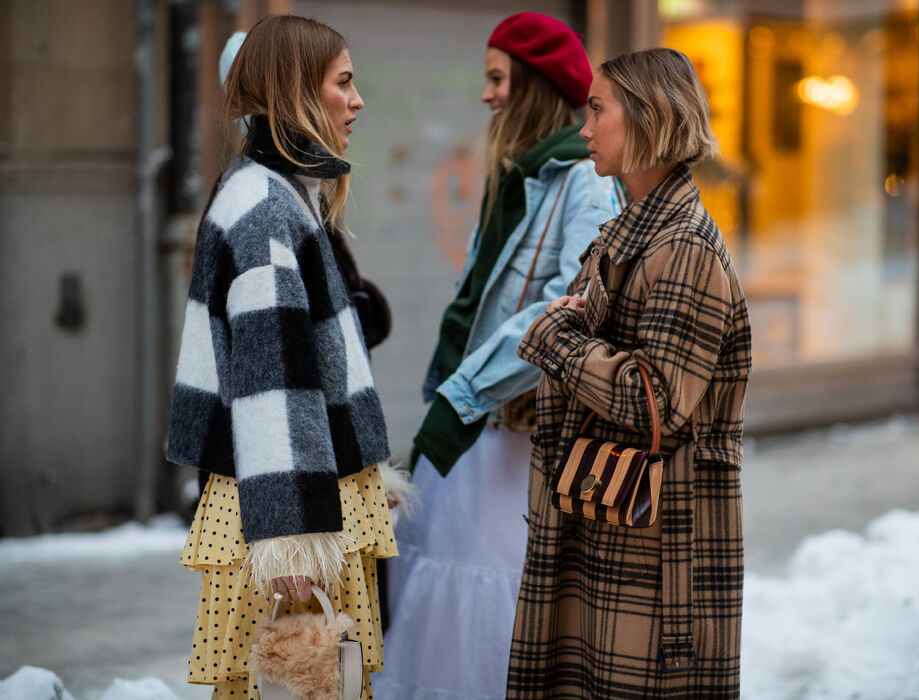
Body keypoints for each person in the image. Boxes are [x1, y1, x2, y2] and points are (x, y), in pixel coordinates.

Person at [373, 12, 620, 700]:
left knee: (490, 596)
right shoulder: (521, 173)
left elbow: (563, 309)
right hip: (480, 424)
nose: (485, 94)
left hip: (517, 430)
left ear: (533, 84)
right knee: (442, 585)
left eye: (496, 77)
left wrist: (463, 395)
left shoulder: (583, 180)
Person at [166, 15, 401, 699]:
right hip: (285, 511)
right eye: (344, 83)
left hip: (285, 495)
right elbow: (272, 389)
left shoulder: (272, 192)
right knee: (300, 680)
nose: (357, 101)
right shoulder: (268, 209)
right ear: (298, 91)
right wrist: (291, 539)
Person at [507, 48, 752, 698]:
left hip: (654, 552)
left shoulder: (682, 248)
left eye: (597, 108)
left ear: (647, 117)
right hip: (613, 523)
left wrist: (553, 336)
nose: (584, 127)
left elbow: (656, 400)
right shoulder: (634, 231)